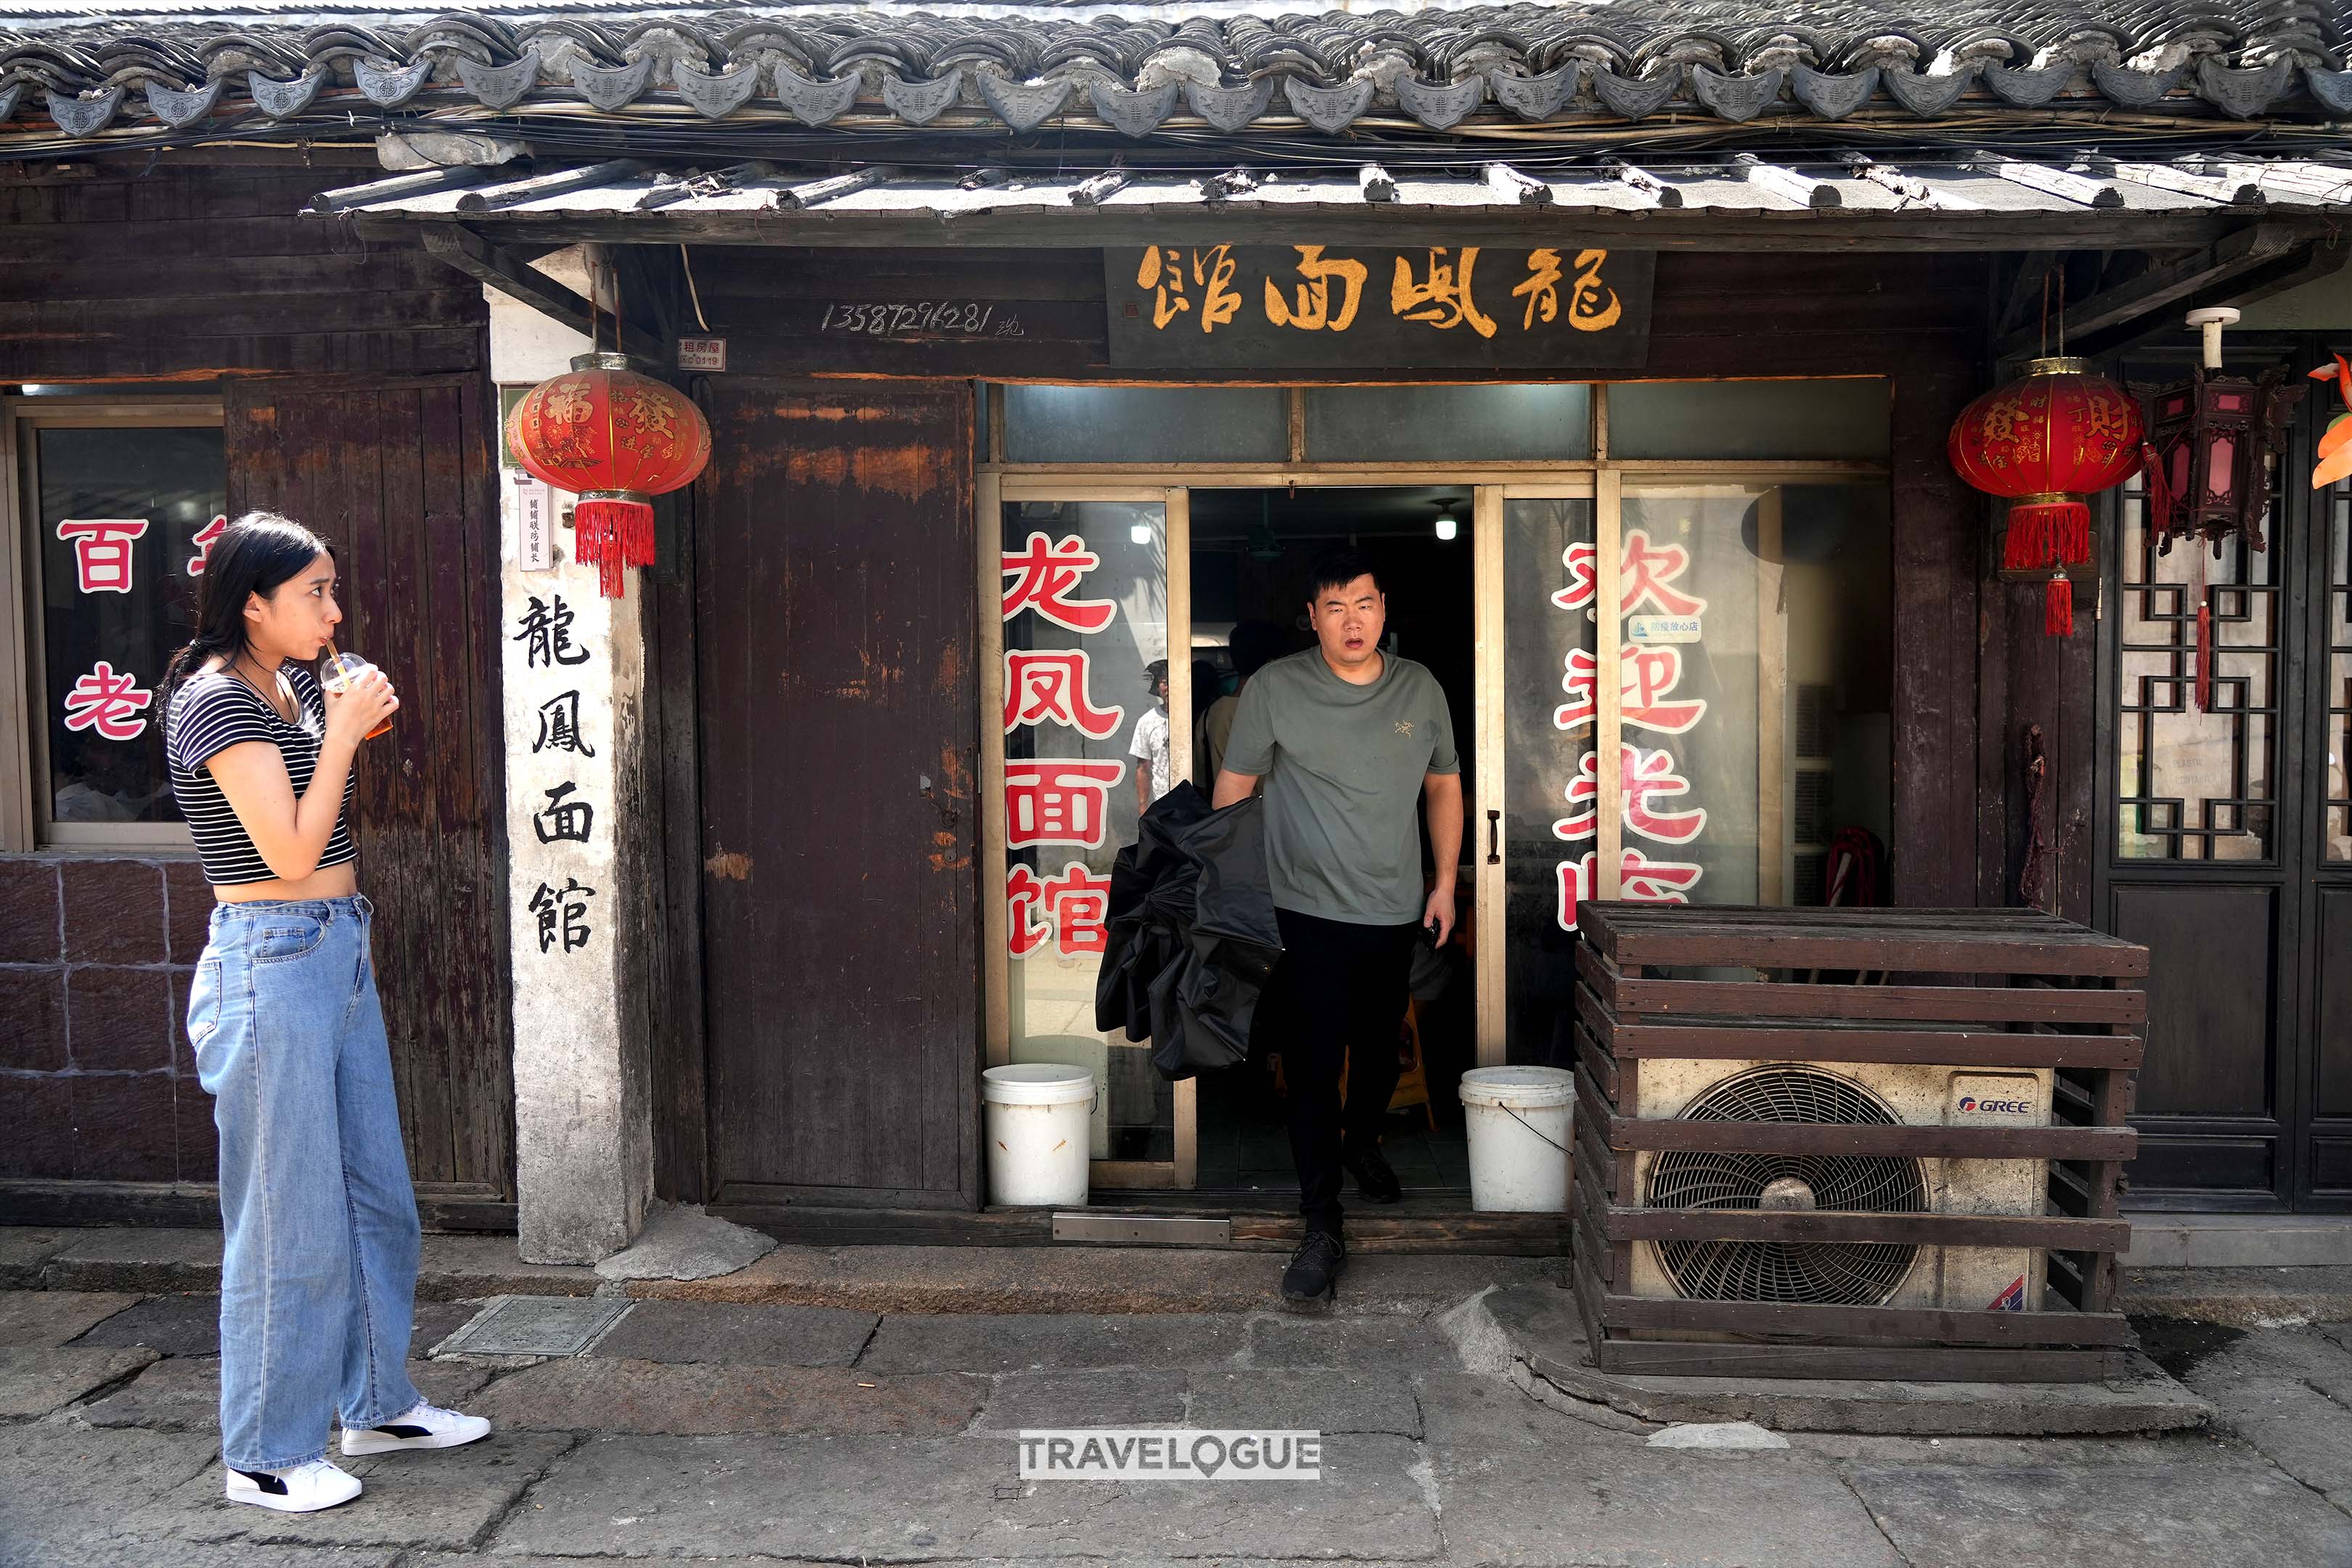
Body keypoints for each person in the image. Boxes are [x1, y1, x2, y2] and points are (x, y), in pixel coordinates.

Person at [161, 513, 491, 1514]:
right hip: (271, 961)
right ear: (250, 603)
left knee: (372, 1197)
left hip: (336, 947)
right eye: (314, 594)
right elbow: (291, 852)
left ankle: (376, 1402)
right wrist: (343, 735)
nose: (334, 611)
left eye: (332, 590)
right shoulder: (216, 706)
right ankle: (265, 1451)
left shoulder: (292, 682)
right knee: (284, 1221)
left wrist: (352, 709)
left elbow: (347, 733)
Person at [1213, 547, 1462, 1304]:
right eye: (1334, 607)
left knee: (1381, 1058)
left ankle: (1361, 1143)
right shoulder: (1276, 689)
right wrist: (1234, 896)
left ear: (1384, 609)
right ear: (1311, 618)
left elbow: (1444, 787)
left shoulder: (1420, 686)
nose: (1352, 621)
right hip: (1302, 912)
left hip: (1392, 911)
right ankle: (1322, 1223)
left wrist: (1444, 882)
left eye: (1364, 604)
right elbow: (1233, 791)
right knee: (1314, 1067)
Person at [1196, 620, 1284, 788]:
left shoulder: (1210, 715)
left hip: (1224, 812)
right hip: (1269, 813)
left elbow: (1200, 780)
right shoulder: (1277, 713)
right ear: (1272, 662)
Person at [1128, 658, 1172, 815]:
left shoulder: (1195, 716)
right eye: (1165, 682)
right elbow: (1143, 768)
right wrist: (1143, 807)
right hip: (1163, 802)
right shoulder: (1147, 722)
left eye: (1174, 681)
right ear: (1158, 687)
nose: (1169, 687)